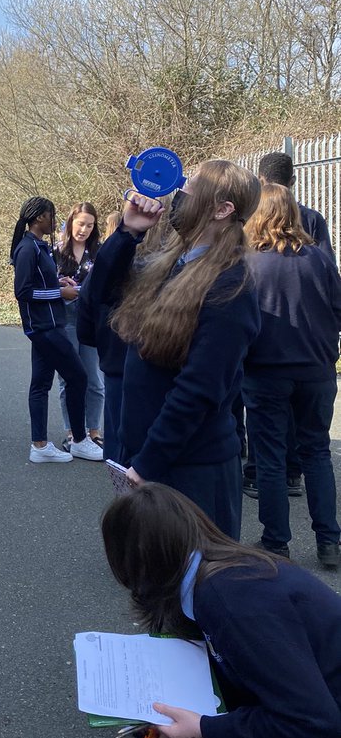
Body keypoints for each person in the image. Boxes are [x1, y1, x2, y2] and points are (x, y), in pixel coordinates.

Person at [101, 483, 341, 738]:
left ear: (138, 565)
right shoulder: (225, 568)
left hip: (326, 731)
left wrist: (204, 732)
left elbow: (310, 719)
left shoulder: (231, 600)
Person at [92, 159, 261, 538]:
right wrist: (127, 232)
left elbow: (198, 390)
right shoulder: (172, 263)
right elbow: (98, 296)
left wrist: (146, 464)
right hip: (155, 463)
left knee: (195, 586)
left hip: (191, 473)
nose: (179, 191)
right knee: (157, 587)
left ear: (221, 209)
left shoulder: (230, 286)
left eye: (191, 186)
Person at [242, 184, 341, 567]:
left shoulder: (250, 262)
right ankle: (329, 540)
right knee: (316, 452)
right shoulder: (320, 259)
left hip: (266, 371)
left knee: (269, 458)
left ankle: (276, 542)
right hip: (316, 370)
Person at [11, 197, 103, 463]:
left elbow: (39, 281)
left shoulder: (38, 246)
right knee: (78, 377)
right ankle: (79, 439)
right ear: (39, 217)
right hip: (45, 327)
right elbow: (23, 292)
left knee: (40, 384)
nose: (56, 221)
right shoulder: (28, 248)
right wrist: (60, 291)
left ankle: (40, 446)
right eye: (52, 215)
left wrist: (56, 280)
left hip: (48, 325)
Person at [55, 203, 105, 449]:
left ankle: (94, 431)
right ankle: (72, 433)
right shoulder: (55, 250)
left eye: (90, 225)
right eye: (80, 223)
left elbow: (108, 284)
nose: (84, 229)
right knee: (68, 378)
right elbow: (42, 285)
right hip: (63, 319)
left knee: (94, 379)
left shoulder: (100, 251)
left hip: (91, 319)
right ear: (71, 222)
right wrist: (60, 288)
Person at [258, 151, 334, 260]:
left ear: (260, 181)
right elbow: (328, 264)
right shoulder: (312, 218)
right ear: (292, 181)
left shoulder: (251, 216)